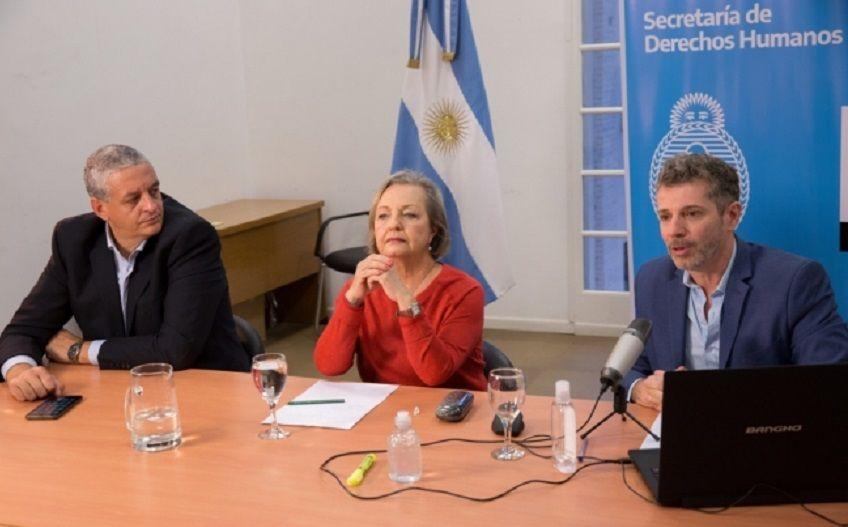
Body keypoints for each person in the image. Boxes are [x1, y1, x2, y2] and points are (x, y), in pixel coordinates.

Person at [0, 145, 248, 401]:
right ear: (100, 209)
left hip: (205, 387)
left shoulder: (189, 237)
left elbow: (176, 349)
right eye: (133, 199)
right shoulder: (74, 241)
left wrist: (78, 351)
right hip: (118, 391)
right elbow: (23, 329)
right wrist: (20, 370)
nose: (151, 206)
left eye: (154, 191)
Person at [625, 153, 848, 411]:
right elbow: (628, 368)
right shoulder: (652, 279)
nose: (674, 230)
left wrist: (712, 399)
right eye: (665, 216)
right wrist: (640, 388)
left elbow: (829, 382)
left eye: (692, 213)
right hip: (674, 432)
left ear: (731, 215)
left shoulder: (794, 281)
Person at [314, 170, 487, 390]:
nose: (394, 224)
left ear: (433, 230)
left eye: (410, 215)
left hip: (452, 407)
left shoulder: (464, 291)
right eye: (383, 216)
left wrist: (405, 300)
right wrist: (352, 302)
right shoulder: (360, 289)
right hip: (387, 407)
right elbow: (329, 366)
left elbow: (434, 374)